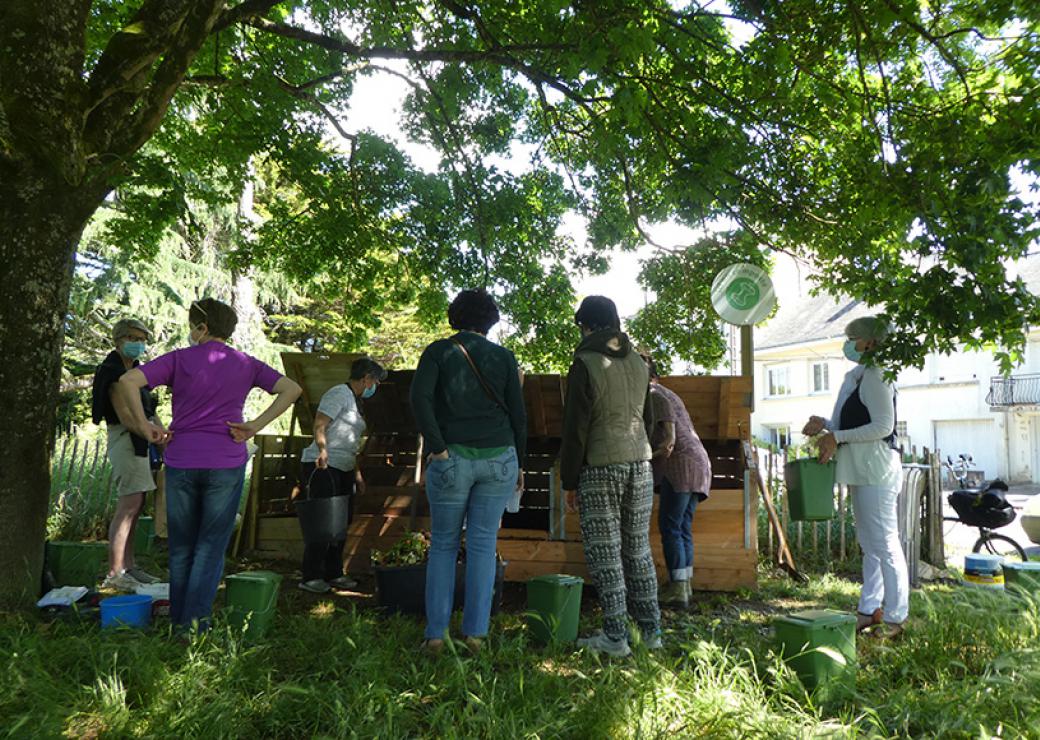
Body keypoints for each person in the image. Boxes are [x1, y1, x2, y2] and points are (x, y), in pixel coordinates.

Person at [117, 298, 301, 631]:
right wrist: (255, 425)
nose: (190, 332)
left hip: (182, 459)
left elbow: (129, 382)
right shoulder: (246, 363)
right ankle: (195, 625)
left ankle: (179, 623)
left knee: (182, 545)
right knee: (210, 547)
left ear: (202, 328)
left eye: (192, 326)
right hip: (226, 461)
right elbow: (292, 388)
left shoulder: (178, 359)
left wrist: (146, 427)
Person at [410, 289, 526, 654]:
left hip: (451, 459)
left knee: (443, 545)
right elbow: (518, 415)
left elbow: (419, 398)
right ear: (490, 320)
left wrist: (436, 445)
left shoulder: (438, 351)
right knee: (482, 545)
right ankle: (476, 634)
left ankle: (435, 635)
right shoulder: (505, 357)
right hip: (499, 459)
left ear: (455, 316)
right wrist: (520, 462)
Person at [560, 296, 659, 657]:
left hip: (601, 466)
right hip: (641, 463)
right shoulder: (638, 361)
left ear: (586, 325)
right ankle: (651, 631)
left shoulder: (585, 363)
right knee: (637, 549)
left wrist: (569, 480)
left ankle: (615, 637)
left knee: (606, 553)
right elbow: (647, 420)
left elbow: (575, 429)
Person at [802, 315, 907, 638]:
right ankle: (869, 609)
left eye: (853, 338)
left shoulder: (876, 375)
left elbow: (882, 427)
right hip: (864, 470)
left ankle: (895, 618)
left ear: (871, 342)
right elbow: (849, 427)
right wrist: (827, 425)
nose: (848, 344)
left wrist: (838, 437)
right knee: (871, 544)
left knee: (885, 544)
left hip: (876, 470)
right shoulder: (861, 375)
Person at [297, 357, 387, 594]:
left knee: (341, 522)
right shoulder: (338, 393)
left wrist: (357, 474)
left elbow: (350, 443)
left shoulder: (357, 403)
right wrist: (323, 450)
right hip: (323, 465)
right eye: (375, 380)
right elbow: (319, 424)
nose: (375, 386)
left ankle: (334, 572)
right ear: (366, 377)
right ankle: (311, 576)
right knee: (323, 520)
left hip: (344, 466)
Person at [91, 318, 167, 590]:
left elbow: (147, 410)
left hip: (141, 439)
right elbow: (125, 416)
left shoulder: (136, 370)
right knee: (128, 505)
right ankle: (115, 573)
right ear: (119, 339)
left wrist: (160, 433)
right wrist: (150, 433)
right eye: (134, 338)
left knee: (137, 506)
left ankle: (129, 566)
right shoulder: (111, 371)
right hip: (126, 439)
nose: (139, 344)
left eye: (143, 339)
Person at [642, 353, 712, 609]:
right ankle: (684, 585)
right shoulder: (669, 393)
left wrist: (650, 454)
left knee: (670, 527)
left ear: (651, 377)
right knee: (682, 527)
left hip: (680, 465)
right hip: (699, 462)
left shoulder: (653, 394)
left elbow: (668, 437)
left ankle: (677, 590)